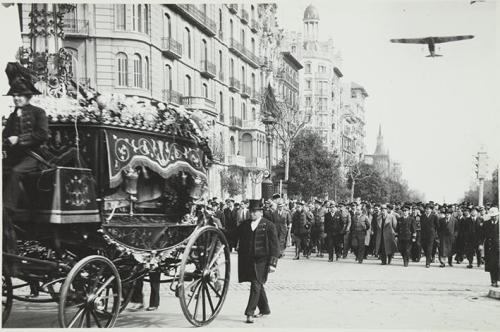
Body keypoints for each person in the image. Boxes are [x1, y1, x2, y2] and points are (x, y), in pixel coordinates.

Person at [3, 62, 48, 213]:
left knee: (16, 172)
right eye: (14, 96)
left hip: (34, 157)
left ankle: (8, 209)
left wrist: (20, 139)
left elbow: (42, 134)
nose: (17, 99)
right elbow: (5, 136)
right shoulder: (11, 116)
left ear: (28, 97)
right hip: (15, 155)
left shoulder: (38, 112)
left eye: (20, 96)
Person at [234, 199, 279, 324]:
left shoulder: (269, 225)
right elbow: (233, 235)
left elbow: (275, 246)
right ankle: (265, 309)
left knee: (255, 284)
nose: (252, 214)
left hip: (262, 261)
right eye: (251, 211)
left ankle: (250, 312)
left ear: (261, 212)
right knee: (258, 284)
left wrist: (273, 263)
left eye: (255, 212)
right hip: (248, 260)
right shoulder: (245, 224)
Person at [482, 207, 499, 287]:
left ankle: (498, 280)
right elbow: (482, 235)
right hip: (490, 247)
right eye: (492, 216)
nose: (494, 217)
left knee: (498, 264)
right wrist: (480, 244)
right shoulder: (486, 223)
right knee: (492, 264)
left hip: (498, 246)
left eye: (495, 216)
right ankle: (493, 280)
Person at [420, 203, 439, 268]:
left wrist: (435, 233)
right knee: (425, 248)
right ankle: (429, 258)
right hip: (423, 235)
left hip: (431, 235)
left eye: (429, 209)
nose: (427, 210)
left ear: (431, 210)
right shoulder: (422, 216)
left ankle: (427, 263)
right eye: (426, 209)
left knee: (429, 248)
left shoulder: (434, 216)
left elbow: (437, 226)